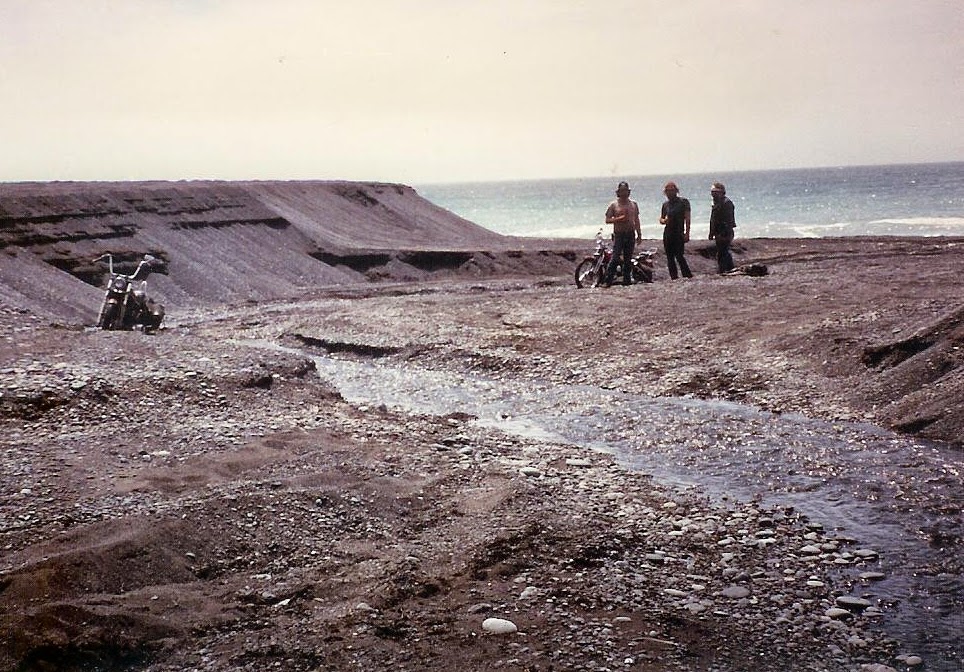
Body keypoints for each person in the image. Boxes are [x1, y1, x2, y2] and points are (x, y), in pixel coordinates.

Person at [603, 181, 642, 286]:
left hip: (630, 234)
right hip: (619, 234)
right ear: (618, 192)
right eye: (622, 191)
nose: (624, 193)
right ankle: (608, 280)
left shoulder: (633, 204)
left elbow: (636, 220)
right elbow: (607, 220)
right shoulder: (614, 205)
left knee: (628, 258)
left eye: (626, 191)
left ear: (629, 192)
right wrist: (619, 219)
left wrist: (639, 234)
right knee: (615, 257)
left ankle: (627, 280)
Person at [659, 181, 693, 279]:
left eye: (672, 190)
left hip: (678, 232)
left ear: (676, 191)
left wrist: (687, 233)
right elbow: (661, 218)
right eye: (668, 191)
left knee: (679, 255)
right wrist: (664, 220)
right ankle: (674, 277)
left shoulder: (683, 202)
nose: (670, 193)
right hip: (668, 233)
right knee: (670, 257)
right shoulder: (665, 204)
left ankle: (687, 275)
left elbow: (687, 218)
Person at [708, 181, 736, 273]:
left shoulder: (726, 203)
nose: (714, 194)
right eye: (712, 192)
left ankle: (726, 270)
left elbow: (729, 220)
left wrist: (723, 233)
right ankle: (727, 269)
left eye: (716, 192)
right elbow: (713, 219)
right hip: (718, 231)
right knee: (722, 251)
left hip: (725, 231)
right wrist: (711, 232)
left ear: (722, 192)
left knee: (723, 251)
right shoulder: (716, 203)